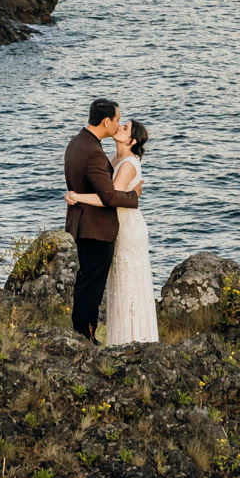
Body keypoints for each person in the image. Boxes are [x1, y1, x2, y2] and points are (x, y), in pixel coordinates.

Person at [66, 118, 158, 345]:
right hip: (115, 228)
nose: (119, 127)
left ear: (132, 140)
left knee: (130, 284)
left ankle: (137, 339)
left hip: (129, 230)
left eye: (125, 128)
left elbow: (110, 198)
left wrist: (77, 196)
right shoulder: (112, 159)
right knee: (118, 284)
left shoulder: (128, 164)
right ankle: (119, 340)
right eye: (120, 123)